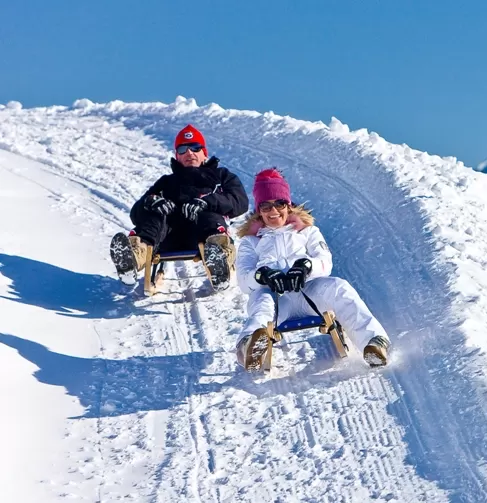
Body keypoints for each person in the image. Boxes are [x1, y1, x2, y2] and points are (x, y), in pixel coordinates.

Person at [234, 168, 391, 371]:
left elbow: (325, 262)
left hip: (309, 292)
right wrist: (262, 275)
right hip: (276, 300)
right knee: (261, 302)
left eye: (279, 203)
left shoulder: (307, 231)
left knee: (338, 287)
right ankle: (249, 346)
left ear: (288, 205)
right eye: (266, 206)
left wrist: (306, 266)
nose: (273, 211)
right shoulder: (250, 241)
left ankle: (374, 342)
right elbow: (243, 281)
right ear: (259, 210)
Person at [110, 124, 249, 288]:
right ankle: (133, 258)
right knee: (155, 213)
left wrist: (208, 201)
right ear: (177, 156)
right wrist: (149, 202)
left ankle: (220, 260)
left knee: (208, 214)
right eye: (183, 149)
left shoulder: (221, 176)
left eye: (195, 147)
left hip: (205, 237)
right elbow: (135, 214)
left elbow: (240, 201)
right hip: (166, 238)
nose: (189, 153)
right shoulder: (166, 182)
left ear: (204, 152)